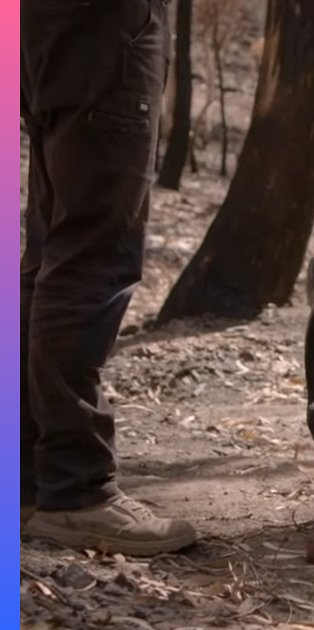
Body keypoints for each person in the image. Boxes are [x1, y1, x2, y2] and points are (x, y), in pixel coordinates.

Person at [21, 0, 197, 556]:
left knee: (52, 255)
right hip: (106, 31)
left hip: (48, 27)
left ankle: (33, 482)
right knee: (89, 261)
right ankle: (76, 493)